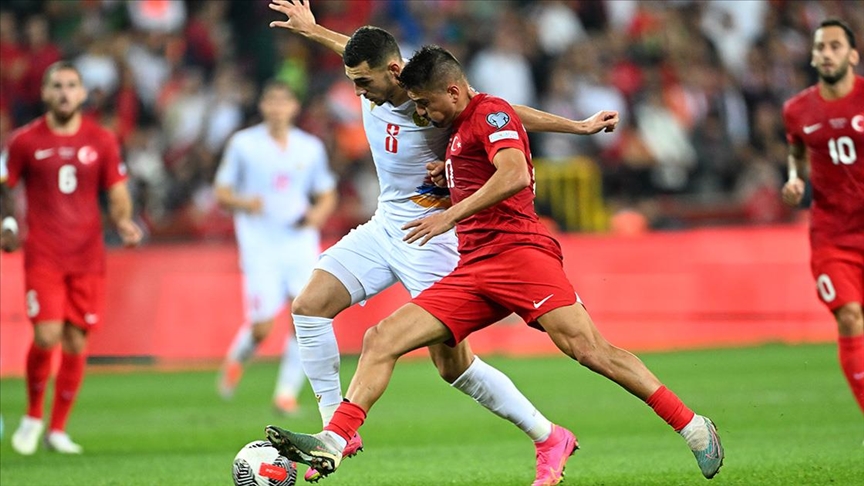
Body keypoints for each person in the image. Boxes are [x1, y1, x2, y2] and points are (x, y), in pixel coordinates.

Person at [264, 45, 725, 483]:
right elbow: (478, 158)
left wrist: (449, 213)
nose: (421, 115)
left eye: (425, 105)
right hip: (474, 268)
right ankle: (334, 436)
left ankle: (691, 425)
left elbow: (514, 173)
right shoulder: (461, 127)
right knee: (381, 339)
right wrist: (445, 179)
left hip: (522, 258)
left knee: (591, 351)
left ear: (452, 91)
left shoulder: (490, 113)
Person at [0, 61, 143, 455]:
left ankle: (57, 429)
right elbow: (4, 188)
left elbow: (116, 190)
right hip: (43, 254)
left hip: (87, 256)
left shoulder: (102, 140)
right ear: (45, 93)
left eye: (71, 86)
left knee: (77, 343)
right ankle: (32, 416)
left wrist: (126, 222)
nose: (64, 93)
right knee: (46, 336)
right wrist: (9, 222)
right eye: (57, 86)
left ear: (83, 94)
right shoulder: (23, 140)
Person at [214, 79, 338, 415]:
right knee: (262, 327)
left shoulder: (309, 147)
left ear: (294, 107)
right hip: (260, 245)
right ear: (263, 106)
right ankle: (237, 358)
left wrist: (317, 214)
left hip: (298, 242)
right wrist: (243, 202)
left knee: (305, 316)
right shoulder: (243, 144)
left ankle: (285, 394)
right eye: (272, 101)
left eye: (284, 101)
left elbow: (326, 192)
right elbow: (221, 192)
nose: (278, 107)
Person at [781, 19, 864, 416]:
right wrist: (796, 179)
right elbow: (796, 152)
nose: (826, 54)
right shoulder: (797, 110)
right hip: (833, 236)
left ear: (852, 54)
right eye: (820, 47)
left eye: (834, 46)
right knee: (849, 316)